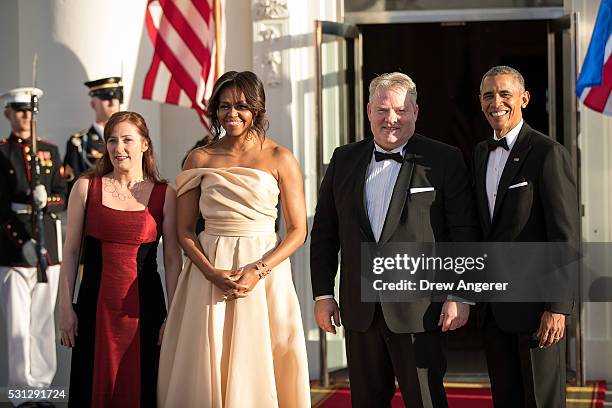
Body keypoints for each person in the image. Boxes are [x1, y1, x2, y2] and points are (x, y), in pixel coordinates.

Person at [310, 72, 480, 408]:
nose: (392, 119)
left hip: (419, 310)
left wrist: (461, 294)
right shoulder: (343, 159)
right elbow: (325, 233)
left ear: (415, 112)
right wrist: (323, 293)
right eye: (383, 110)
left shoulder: (444, 159)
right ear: (369, 110)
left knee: (425, 401)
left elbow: (464, 233)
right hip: (360, 311)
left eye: (402, 111)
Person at [157, 70, 311, 407]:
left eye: (241, 106)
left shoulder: (280, 158)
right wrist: (210, 272)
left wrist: (258, 270)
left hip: (265, 271)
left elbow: (298, 230)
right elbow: (184, 231)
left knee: (263, 354)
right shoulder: (199, 158)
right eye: (224, 106)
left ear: (257, 108)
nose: (232, 114)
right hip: (208, 270)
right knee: (207, 356)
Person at [58, 111, 182, 407]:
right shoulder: (86, 187)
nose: (118, 148)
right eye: (112, 140)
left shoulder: (166, 194)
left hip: (146, 314)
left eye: (127, 139)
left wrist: (173, 316)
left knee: (142, 391)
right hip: (92, 311)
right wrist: (64, 307)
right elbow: (71, 252)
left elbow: (173, 261)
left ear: (145, 145)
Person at [473, 65, 579, 408]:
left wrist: (557, 307)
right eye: (489, 95)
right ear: (480, 102)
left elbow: (565, 236)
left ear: (524, 98)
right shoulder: (478, 154)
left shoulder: (548, 153)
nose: (496, 102)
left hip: (537, 311)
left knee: (541, 401)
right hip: (494, 309)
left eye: (505, 94)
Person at [0, 87, 67, 405]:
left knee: (42, 321)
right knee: (18, 323)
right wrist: (20, 242)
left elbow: (63, 195)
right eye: (19, 110)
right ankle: (20, 392)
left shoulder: (50, 151)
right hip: (15, 250)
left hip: (47, 247)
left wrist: (48, 199)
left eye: (29, 110)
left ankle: (42, 387)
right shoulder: (1, 152)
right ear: (8, 114)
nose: (25, 116)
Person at [63, 76, 122, 192]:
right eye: (106, 98)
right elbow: (74, 184)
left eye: (116, 97)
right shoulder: (79, 142)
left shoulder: (130, 139)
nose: (112, 102)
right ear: (93, 105)